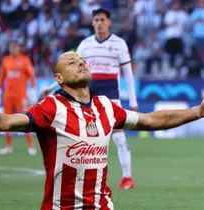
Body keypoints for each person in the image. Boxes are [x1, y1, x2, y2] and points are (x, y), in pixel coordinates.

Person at [0, 52, 204, 209]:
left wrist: (198, 112)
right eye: (72, 62)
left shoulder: (105, 106)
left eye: (82, 60)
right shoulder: (51, 107)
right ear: (58, 78)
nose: (81, 63)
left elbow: (152, 120)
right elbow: (5, 121)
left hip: (102, 206)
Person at [41, 8, 139, 189]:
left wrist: (133, 101)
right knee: (85, 137)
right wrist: (50, 87)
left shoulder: (119, 44)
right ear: (92, 22)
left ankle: (127, 177)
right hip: (87, 95)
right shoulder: (85, 45)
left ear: (109, 22)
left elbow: (128, 74)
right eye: (96, 20)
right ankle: (81, 178)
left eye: (102, 20)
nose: (99, 23)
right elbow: (70, 71)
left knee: (118, 136)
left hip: (110, 95)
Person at [0, 41, 38, 156]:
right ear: (9, 48)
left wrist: (33, 89)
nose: (13, 49)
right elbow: (2, 77)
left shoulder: (25, 60)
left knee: (24, 121)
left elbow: (32, 76)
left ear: (19, 48)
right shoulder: (5, 61)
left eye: (15, 47)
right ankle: (8, 146)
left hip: (20, 97)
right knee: (7, 121)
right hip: (8, 96)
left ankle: (31, 146)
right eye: (11, 47)